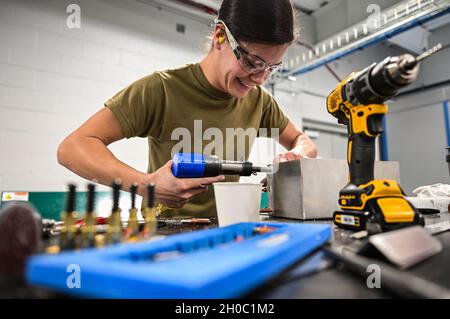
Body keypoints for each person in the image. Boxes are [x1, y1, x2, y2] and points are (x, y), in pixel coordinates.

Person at [57, 0, 317, 218]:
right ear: (219, 36)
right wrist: (147, 185)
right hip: (164, 237)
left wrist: (297, 155)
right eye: (252, 62)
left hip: (228, 233)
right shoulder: (161, 89)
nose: (260, 78)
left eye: (271, 68)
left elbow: (302, 141)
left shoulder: (260, 101)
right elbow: (73, 147)